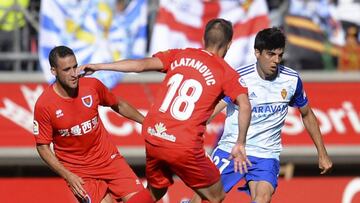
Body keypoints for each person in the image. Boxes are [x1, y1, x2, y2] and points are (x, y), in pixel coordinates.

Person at [78, 18, 252, 203]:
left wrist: (99, 66)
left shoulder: (179, 55)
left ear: (203, 39)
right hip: (183, 143)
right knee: (216, 195)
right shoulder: (227, 73)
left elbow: (140, 65)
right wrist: (240, 142)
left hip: (154, 134)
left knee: (155, 191)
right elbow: (245, 105)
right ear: (230, 44)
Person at [191, 27, 333, 203]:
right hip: (232, 149)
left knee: (263, 198)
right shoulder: (239, 78)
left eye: (279, 56)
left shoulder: (291, 80)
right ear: (257, 53)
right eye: (271, 54)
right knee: (206, 198)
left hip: (266, 154)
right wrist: (190, 135)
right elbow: (212, 109)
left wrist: (322, 153)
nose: (276, 61)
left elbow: (307, 114)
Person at [33, 46, 155, 203]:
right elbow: (42, 147)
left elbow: (118, 104)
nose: (73, 74)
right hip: (79, 172)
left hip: (109, 160)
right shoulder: (44, 105)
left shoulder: (92, 86)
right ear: (53, 71)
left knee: (142, 201)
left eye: (75, 67)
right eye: (66, 69)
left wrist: (146, 122)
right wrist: (68, 175)